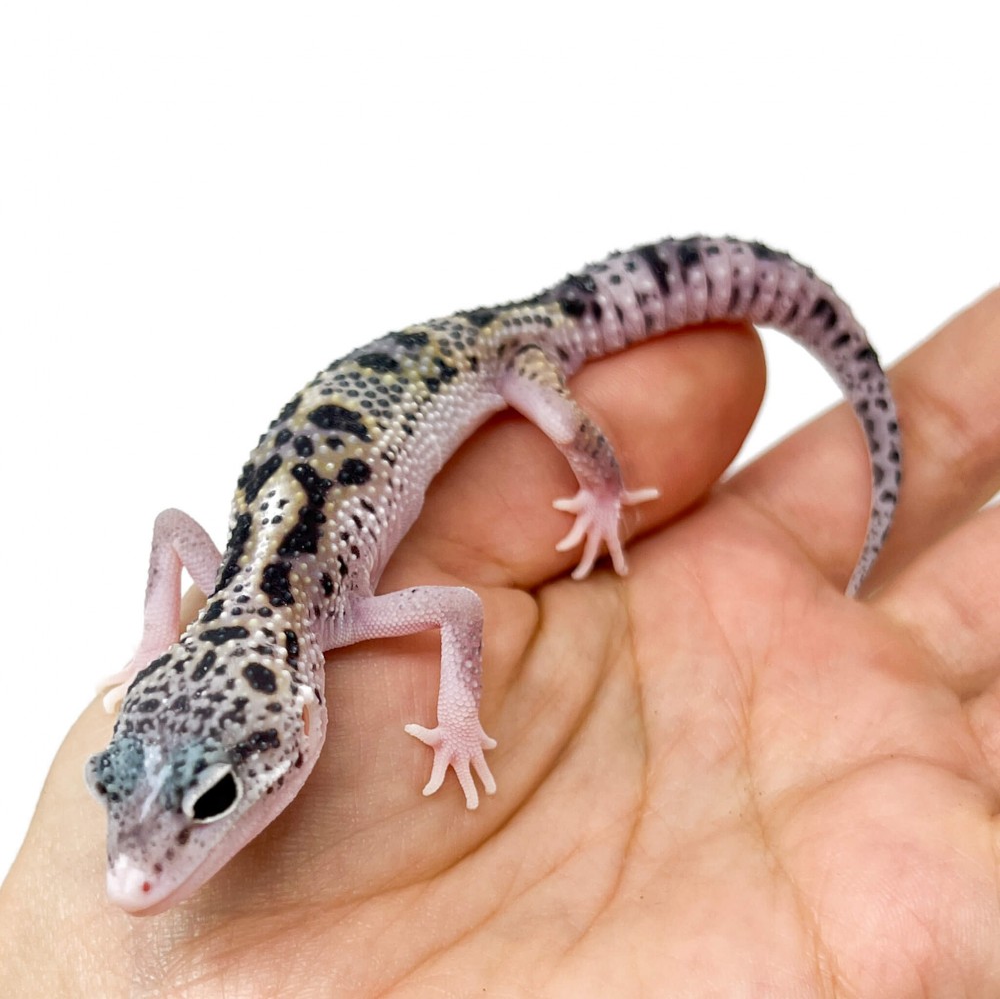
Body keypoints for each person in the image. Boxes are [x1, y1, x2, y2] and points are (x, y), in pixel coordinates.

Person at [3, 289, 999, 997]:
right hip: (384, 407)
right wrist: (154, 646)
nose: (131, 871)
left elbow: (458, 612)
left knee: (558, 414)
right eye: (117, 786)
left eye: (215, 797)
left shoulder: (331, 614)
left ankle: (612, 474)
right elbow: (173, 528)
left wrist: (462, 711)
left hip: (496, 354)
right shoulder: (291, 614)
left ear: (302, 718)